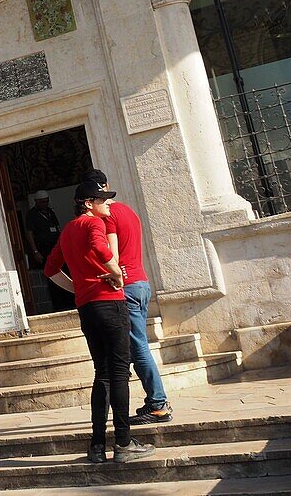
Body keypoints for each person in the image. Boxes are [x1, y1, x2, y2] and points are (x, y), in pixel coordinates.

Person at [44, 181, 154, 464]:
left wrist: (79, 287)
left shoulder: (68, 230)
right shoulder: (93, 224)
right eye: (102, 199)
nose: (108, 203)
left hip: (87, 307)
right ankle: (123, 443)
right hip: (109, 303)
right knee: (119, 372)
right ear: (88, 203)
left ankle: (96, 446)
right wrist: (116, 272)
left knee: (102, 372)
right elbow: (98, 247)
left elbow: (50, 269)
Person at [82, 169, 173, 425]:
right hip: (142, 282)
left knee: (137, 346)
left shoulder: (108, 216)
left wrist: (106, 276)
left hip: (127, 284)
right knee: (137, 344)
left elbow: (112, 256)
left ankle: (158, 404)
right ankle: (153, 401)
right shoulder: (128, 211)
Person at [24, 190, 74, 311]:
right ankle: (59, 305)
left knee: (65, 272)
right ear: (36, 202)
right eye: (41, 202)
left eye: (46, 201)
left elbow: (57, 228)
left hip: (56, 247)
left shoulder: (51, 212)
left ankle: (70, 301)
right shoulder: (32, 215)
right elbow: (29, 234)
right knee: (52, 276)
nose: (44, 204)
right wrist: (35, 251)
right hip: (43, 248)